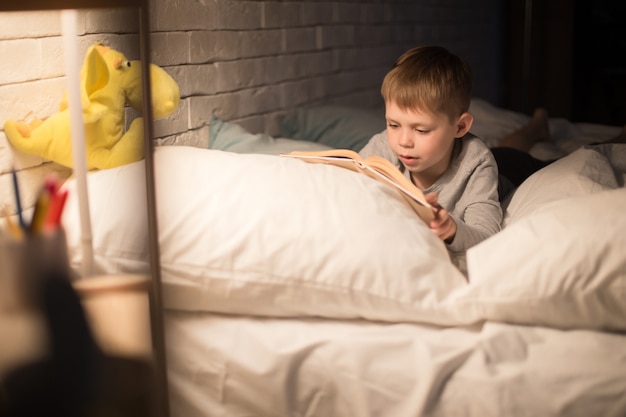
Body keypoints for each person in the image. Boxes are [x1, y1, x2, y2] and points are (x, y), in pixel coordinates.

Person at [359, 45, 502, 273]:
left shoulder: (477, 162)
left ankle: (536, 125)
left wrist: (452, 229)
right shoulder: (384, 145)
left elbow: (488, 236)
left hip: (510, 167)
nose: (403, 141)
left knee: (512, 147)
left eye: (422, 130)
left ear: (460, 126)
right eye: (393, 125)